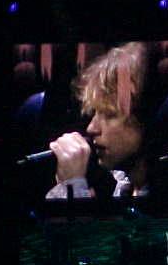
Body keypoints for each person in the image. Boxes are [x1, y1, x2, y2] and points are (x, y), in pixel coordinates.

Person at [45, 42, 154, 199]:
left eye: (109, 114)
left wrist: (72, 186)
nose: (91, 128)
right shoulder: (126, 188)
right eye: (95, 113)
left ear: (146, 117)